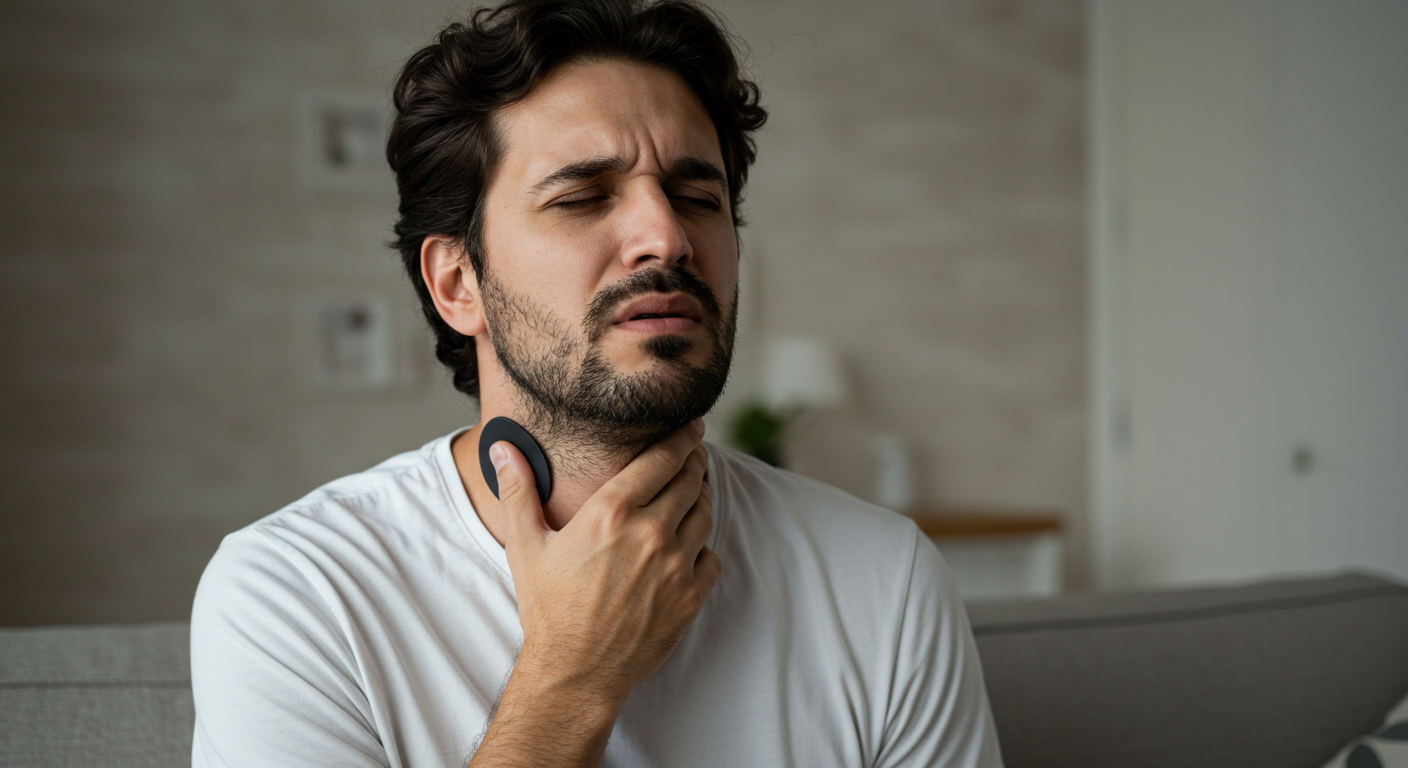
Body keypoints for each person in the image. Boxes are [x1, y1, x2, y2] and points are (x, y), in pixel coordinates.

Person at [189, 0, 1004, 765]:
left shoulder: (884, 579)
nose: (668, 236)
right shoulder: (296, 594)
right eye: (582, 196)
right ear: (457, 284)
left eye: (696, 196)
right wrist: (572, 679)